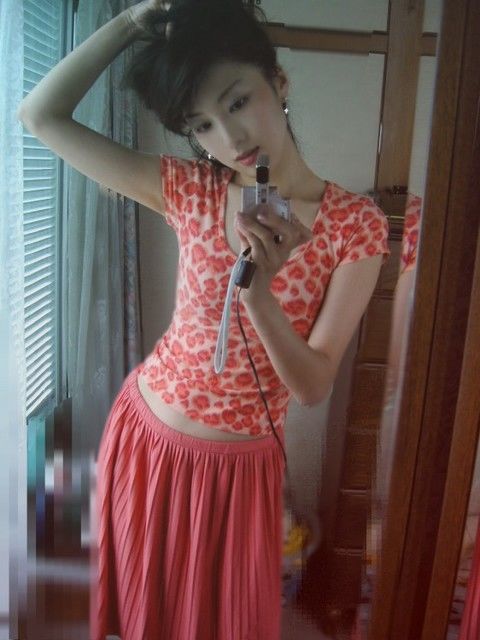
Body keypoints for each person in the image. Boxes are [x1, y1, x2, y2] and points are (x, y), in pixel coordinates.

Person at [17, 0, 390, 638]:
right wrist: (131, 22)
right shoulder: (191, 190)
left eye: (238, 102)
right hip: (148, 441)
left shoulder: (356, 226)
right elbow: (39, 116)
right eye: (203, 125)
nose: (231, 139)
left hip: (237, 476)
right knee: (145, 613)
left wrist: (259, 295)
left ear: (279, 83)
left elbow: (312, 384)